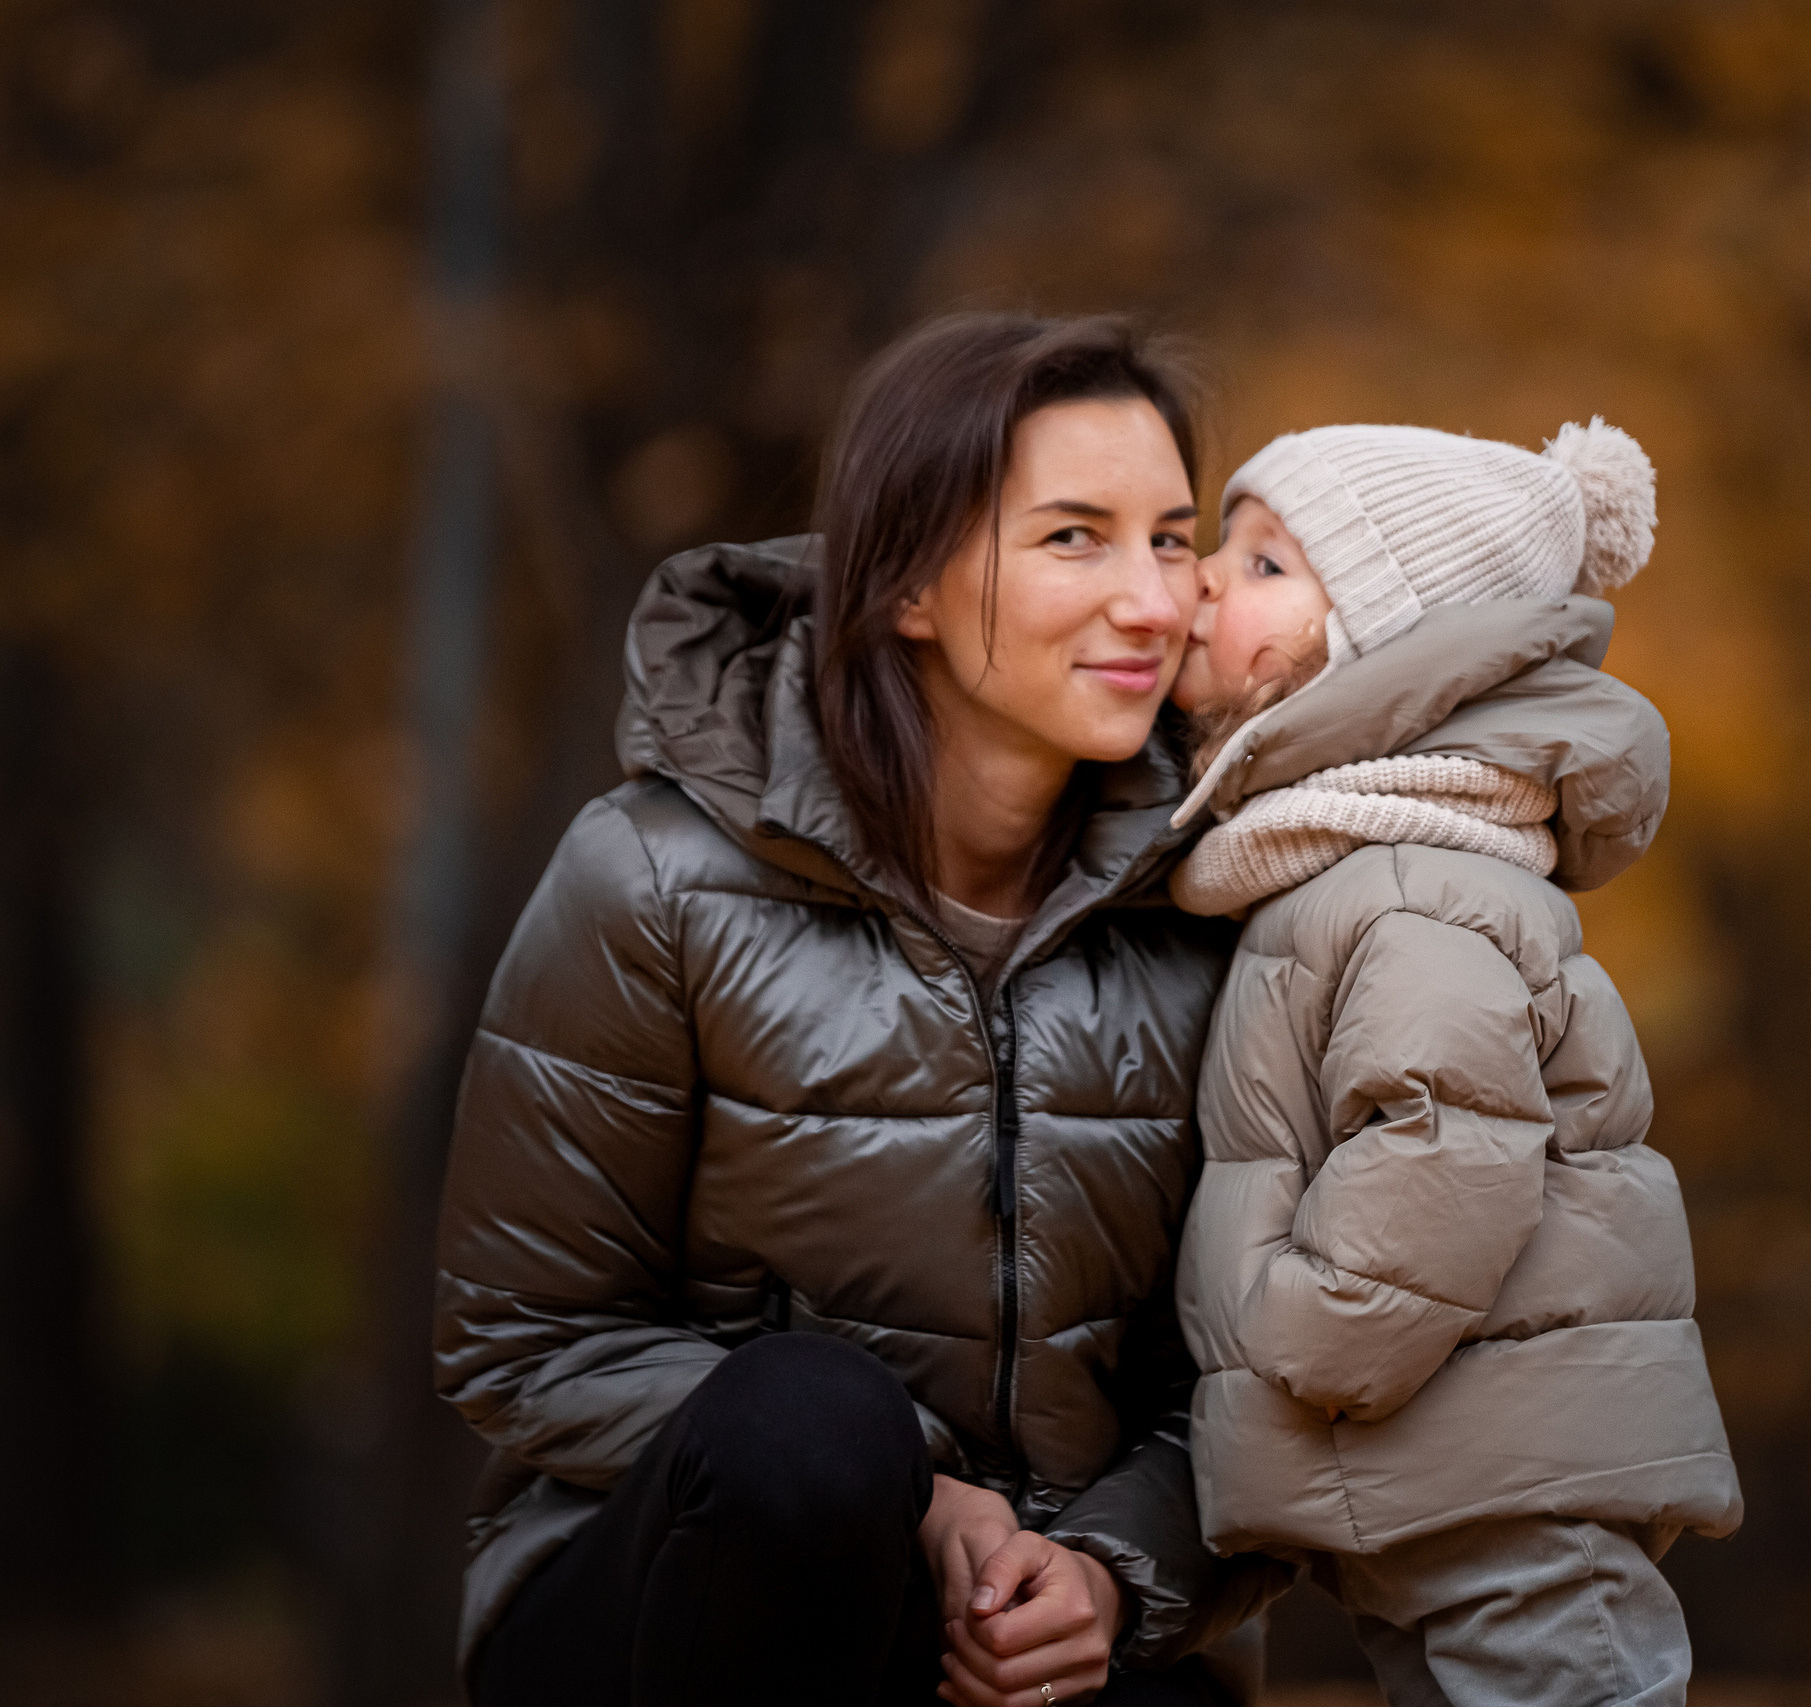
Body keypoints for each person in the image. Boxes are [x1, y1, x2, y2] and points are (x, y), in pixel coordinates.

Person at [433, 313, 1284, 1707]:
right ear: (906, 588)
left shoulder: (1226, 905)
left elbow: (1250, 1375)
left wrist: (1117, 1575)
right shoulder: (653, 876)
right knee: (807, 1422)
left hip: (1045, 1635)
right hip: (676, 1607)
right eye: (1074, 536)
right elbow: (525, 1338)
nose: (1153, 601)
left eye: (1174, 537)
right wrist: (917, 1488)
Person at [1166, 420, 1745, 1706]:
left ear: (1386, 649)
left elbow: (1447, 1142)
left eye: (1265, 567)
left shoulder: (1411, 883)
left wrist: (1303, 1337)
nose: (1206, 580)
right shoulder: (1350, 861)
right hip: (1457, 1464)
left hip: (1508, 1479)